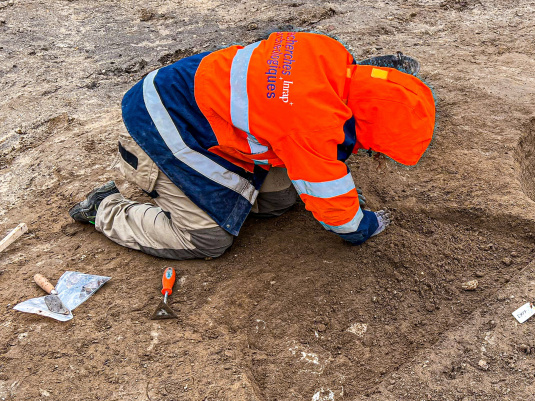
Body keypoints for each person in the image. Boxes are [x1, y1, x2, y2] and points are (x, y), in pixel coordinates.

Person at [69, 32, 436, 260]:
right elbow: (334, 206)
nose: (372, 154)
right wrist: (363, 227)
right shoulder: (313, 127)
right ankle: (107, 207)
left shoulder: (330, 55)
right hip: (164, 120)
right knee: (208, 239)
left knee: (281, 201)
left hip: (205, 106)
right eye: (377, 147)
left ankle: (215, 193)